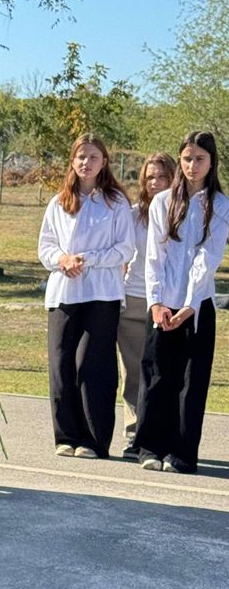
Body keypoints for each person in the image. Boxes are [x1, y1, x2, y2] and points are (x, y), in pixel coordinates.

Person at [134, 131, 229, 474]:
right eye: (187, 158)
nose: (192, 165)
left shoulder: (220, 205)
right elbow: (154, 257)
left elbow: (208, 257)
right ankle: (149, 447)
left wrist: (189, 304)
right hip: (163, 305)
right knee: (157, 374)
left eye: (200, 159)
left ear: (211, 162)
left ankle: (182, 453)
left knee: (191, 380)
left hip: (197, 306)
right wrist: (157, 302)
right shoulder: (162, 202)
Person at [38, 133, 135, 459]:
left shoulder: (116, 203)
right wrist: (62, 260)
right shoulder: (59, 202)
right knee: (61, 363)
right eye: (81, 156)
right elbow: (45, 247)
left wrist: (87, 259)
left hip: (102, 294)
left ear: (104, 161)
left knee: (91, 364)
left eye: (93, 157)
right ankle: (66, 435)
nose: (86, 162)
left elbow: (125, 248)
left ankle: (93, 440)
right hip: (64, 293)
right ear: (72, 161)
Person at [118, 153, 176, 459]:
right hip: (134, 299)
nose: (155, 183)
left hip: (168, 302)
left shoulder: (181, 214)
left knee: (161, 372)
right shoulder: (133, 215)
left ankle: (159, 435)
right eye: (150, 177)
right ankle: (134, 434)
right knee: (132, 373)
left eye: (162, 177)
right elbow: (123, 258)